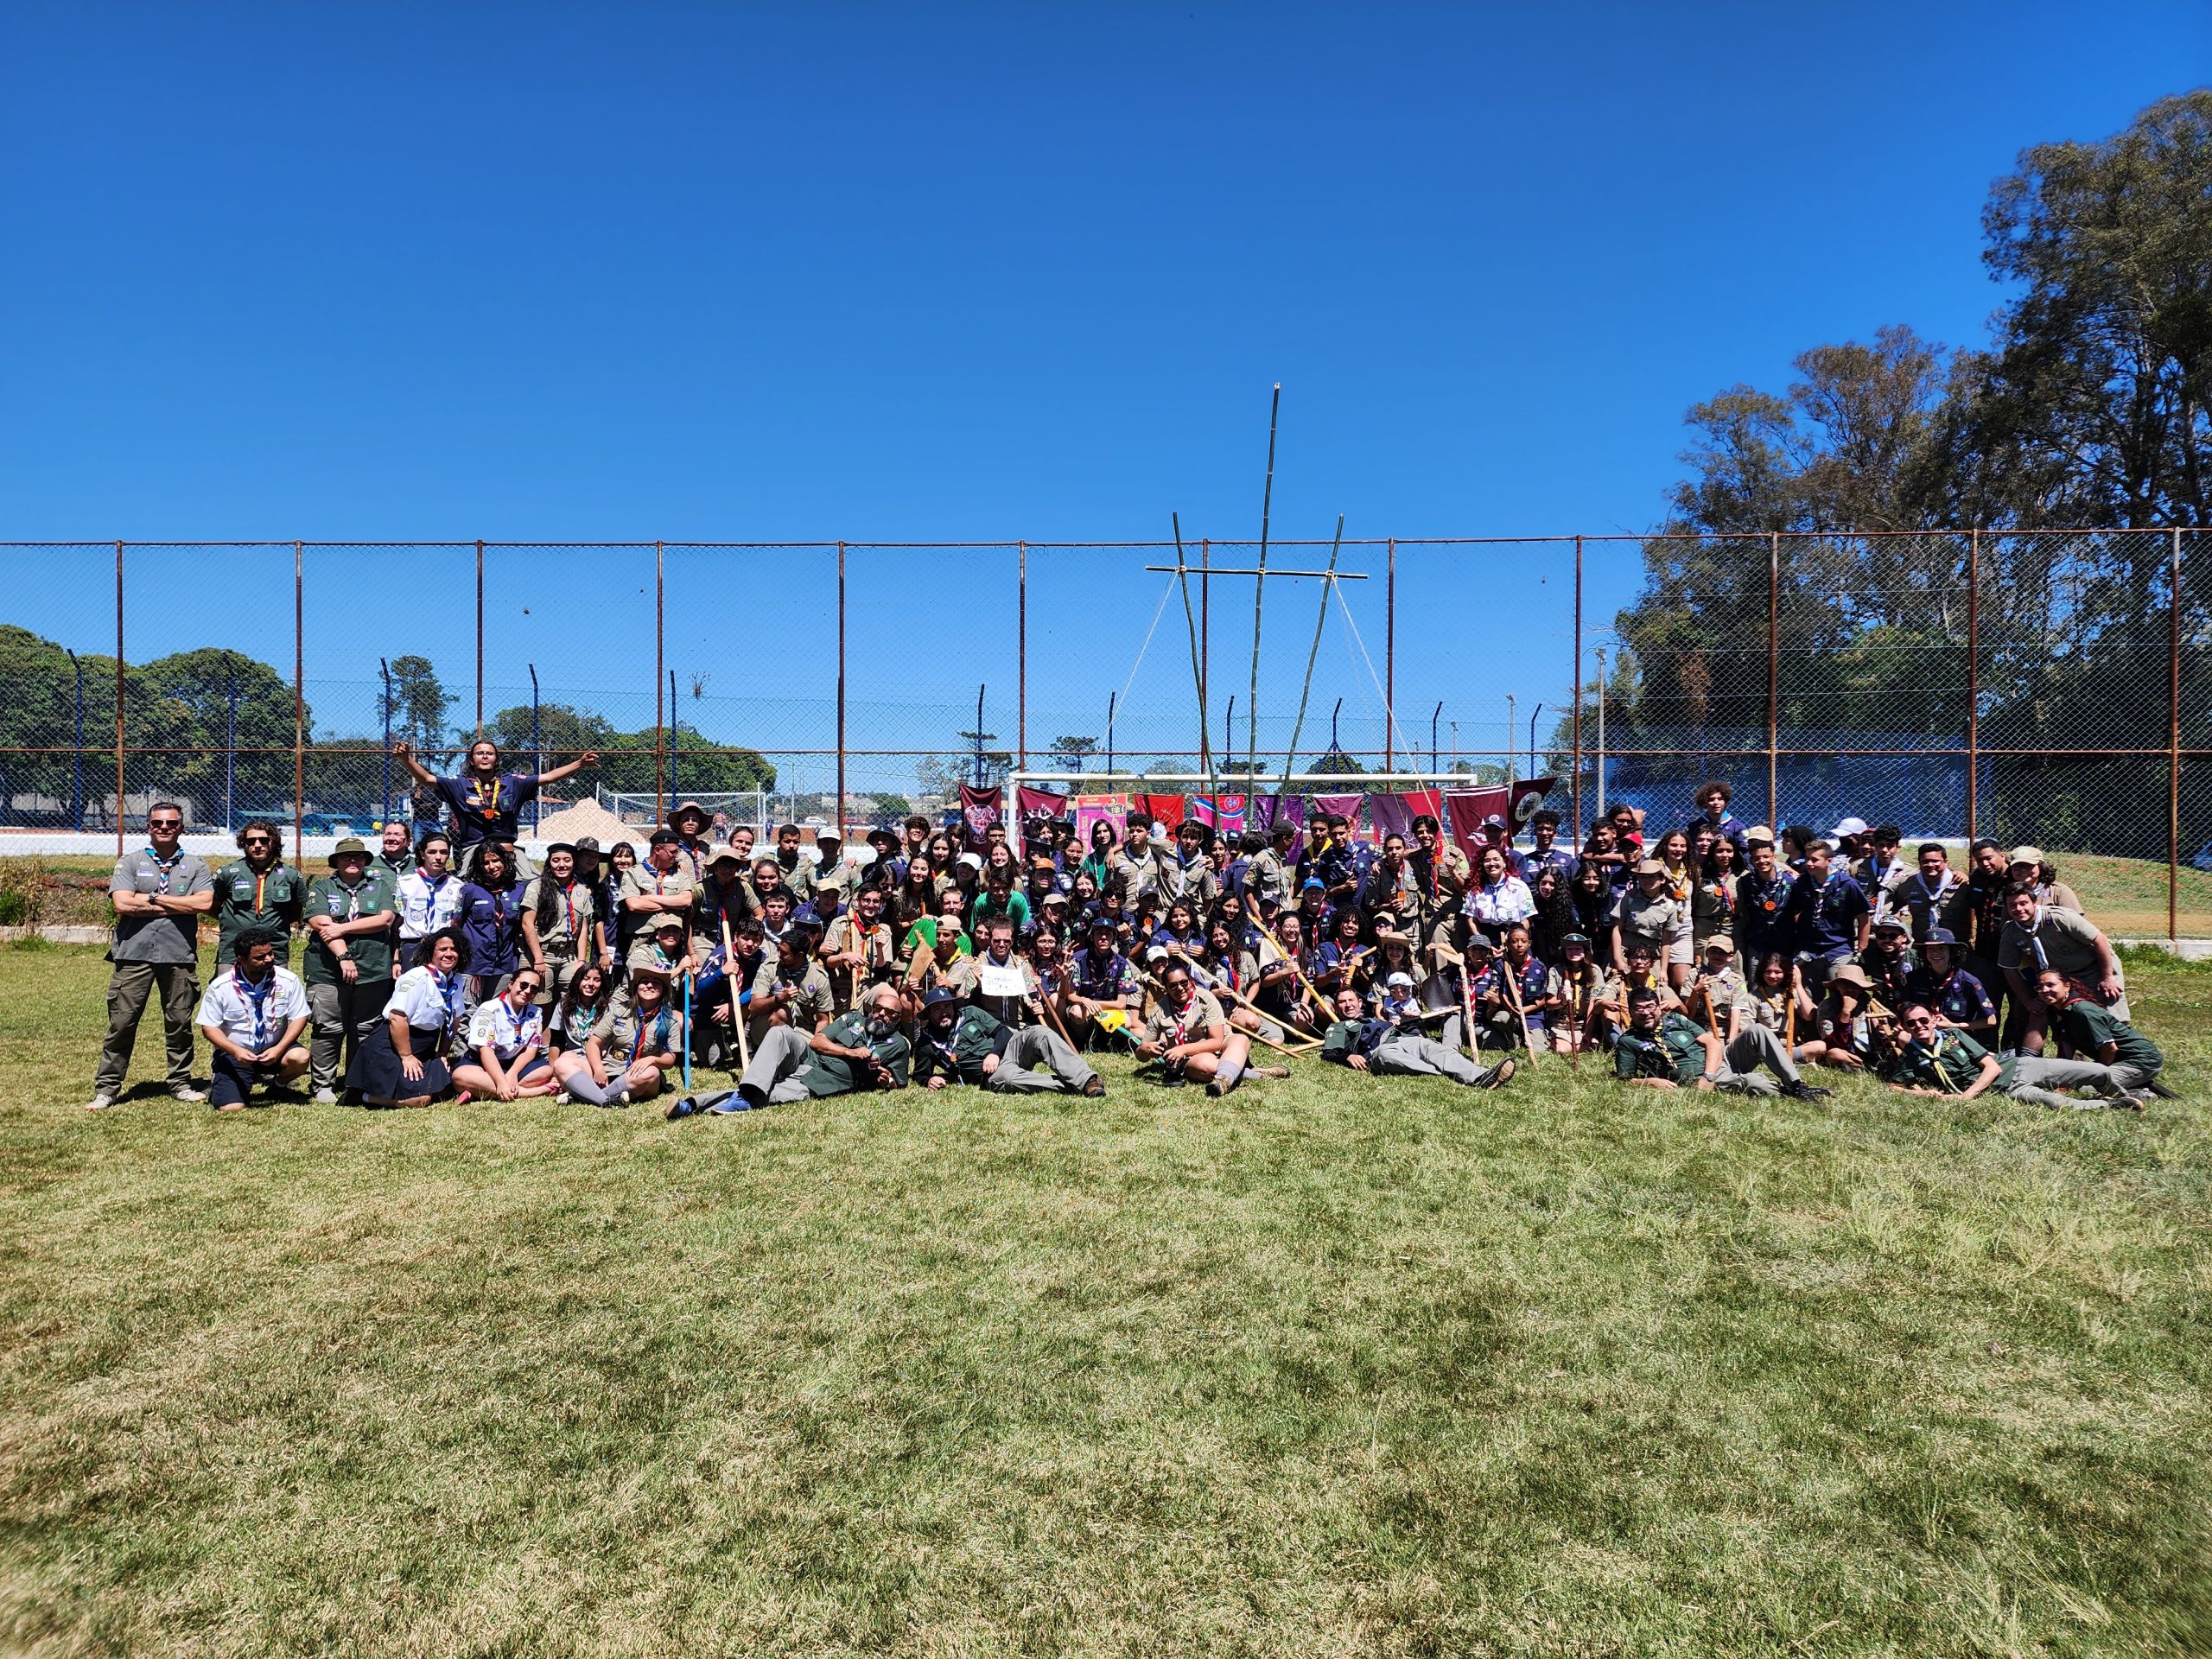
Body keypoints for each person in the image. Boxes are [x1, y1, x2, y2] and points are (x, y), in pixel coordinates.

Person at [89, 802, 213, 1109]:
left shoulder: (196, 866)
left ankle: (181, 1083)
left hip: (178, 955)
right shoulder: (130, 862)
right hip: (134, 955)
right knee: (122, 1023)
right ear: (149, 826)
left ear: (181, 828)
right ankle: (107, 1088)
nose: (164, 828)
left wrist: (150, 898)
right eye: (158, 823)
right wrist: (176, 903)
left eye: (171, 823)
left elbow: (203, 904)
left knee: (180, 1023)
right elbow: (122, 904)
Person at [1879, 1001, 2141, 1111]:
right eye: (1911, 1024)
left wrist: (1966, 1096)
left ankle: (2118, 1092)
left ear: (1934, 1021)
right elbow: (1893, 1087)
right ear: (1904, 1027)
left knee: (2098, 1071)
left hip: (2018, 1067)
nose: (1919, 1026)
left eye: (1923, 1020)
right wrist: (1923, 1093)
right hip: (2006, 1090)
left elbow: (1991, 1068)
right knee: (2058, 1104)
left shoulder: (1954, 1037)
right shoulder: (1912, 1055)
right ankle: (2112, 1105)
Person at [700, 982, 912, 1113]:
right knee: (780, 1031)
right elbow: (816, 1041)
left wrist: (888, 1082)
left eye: (889, 1012)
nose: (881, 1014)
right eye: (878, 1009)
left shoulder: (899, 1046)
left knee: (767, 1094)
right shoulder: (854, 1018)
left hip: (824, 1080)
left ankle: (692, 1105)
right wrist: (849, 1052)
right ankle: (750, 1087)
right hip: (807, 1057)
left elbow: (898, 1083)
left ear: (898, 1017)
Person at [392, 737, 598, 868]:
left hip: (507, 848)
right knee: (467, 889)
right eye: (479, 753)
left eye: (489, 753)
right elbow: (427, 780)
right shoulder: (459, 784)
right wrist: (406, 759)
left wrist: (579, 763)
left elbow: (548, 778)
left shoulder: (513, 782)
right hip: (473, 849)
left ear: (496, 759)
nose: (484, 756)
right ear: (472, 760)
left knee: (533, 882)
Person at [299, 836, 399, 1103]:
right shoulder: (321, 887)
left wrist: (342, 927)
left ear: (366, 861)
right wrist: (344, 956)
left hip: (373, 968)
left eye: (358, 856)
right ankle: (322, 1084)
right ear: (337, 861)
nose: (352, 860)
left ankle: (356, 1081)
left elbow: (385, 919)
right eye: (346, 857)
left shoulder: (379, 887)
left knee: (364, 1028)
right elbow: (320, 923)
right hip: (327, 970)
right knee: (328, 1028)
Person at [1613, 985, 1830, 1098]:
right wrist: (1651, 1082)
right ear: (1630, 1011)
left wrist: (1708, 1076)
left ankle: (1797, 1085)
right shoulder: (1629, 1041)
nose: (1646, 1013)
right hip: (1700, 1077)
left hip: (1720, 1060)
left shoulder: (1676, 1019)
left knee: (1757, 1030)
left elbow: (1713, 1043)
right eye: (1639, 1009)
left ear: (1659, 1007)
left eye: (1651, 1007)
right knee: (1756, 1083)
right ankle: (1787, 1093)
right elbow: (1623, 1079)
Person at [1995, 880, 2128, 1051]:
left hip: (2094, 968)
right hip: (2061, 978)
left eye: (2023, 903)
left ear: (2034, 902)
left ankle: (2130, 1061)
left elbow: (2099, 940)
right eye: (2012, 905)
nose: (2019, 909)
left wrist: (2107, 977)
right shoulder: (2011, 932)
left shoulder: (2059, 917)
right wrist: (2029, 1002)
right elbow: (2009, 969)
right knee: (2059, 1021)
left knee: (2111, 1020)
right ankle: (2042, 1065)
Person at [347, 927, 471, 1108]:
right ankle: (361, 1097)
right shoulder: (415, 977)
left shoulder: (456, 980)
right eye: (443, 949)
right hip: (394, 1045)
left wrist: (443, 1052)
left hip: (425, 1046)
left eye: (454, 949)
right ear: (431, 953)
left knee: (445, 1090)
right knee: (421, 1100)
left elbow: (454, 1020)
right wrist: (406, 1057)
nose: (449, 954)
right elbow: (397, 1018)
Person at [194, 926, 311, 1111]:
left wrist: (278, 1049)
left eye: (270, 953)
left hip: (275, 1051)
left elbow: (300, 1017)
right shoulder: (221, 987)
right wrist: (235, 1051)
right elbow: (209, 1027)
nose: (269, 959)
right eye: (260, 957)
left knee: (301, 1057)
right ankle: (225, 1083)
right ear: (241, 960)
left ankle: (277, 1087)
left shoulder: (287, 980)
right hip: (237, 1055)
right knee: (232, 1108)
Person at [909, 985, 1105, 1096]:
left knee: (1040, 1033)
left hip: (1009, 1049)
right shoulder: (927, 1042)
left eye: (947, 1006)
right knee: (1009, 1079)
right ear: (928, 1013)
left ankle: (1088, 1079)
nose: (944, 1012)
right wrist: (929, 1079)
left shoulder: (969, 1013)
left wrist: (995, 1053)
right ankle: (1075, 1087)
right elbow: (920, 1074)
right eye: (937, 1008)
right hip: (992, 1074)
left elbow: (1002, 1031)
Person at [1319, 985, 1516, 1089]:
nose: (1348, 1005)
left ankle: (1482, 1076)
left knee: (1434, 1048)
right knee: (1388, 1055)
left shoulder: (1373, 1018)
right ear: (1337, 1007)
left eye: (1351, 1000)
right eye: (1342, 1002)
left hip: (1403, 1039)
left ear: (1360, 1003)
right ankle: (1442, 1073)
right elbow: (1328, 1054)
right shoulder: (1338, 1026)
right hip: (1378, 1051)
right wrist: (1347, 1057)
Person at [1135, 957, 1279, 1096]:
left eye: (1184, 983)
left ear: (1190, 981)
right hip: (1192, 1057)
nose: (1180, 988)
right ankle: (1254, 1074)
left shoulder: (1206, 998)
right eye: (1173, 985)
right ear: (1166, 988)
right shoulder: (1160, 1010)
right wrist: (1145, 1049)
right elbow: (1142, 1056)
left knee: (1241, 1039)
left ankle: (1223, 1080)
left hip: (1219, 1046)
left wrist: (1182, 1048)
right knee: (1206, 1066)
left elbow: (1216, 1041)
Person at [2037, 967, 2171, 1098]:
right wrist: (2064, 1075)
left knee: (2082, 1088)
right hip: (2116, 1060)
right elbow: (2066, 1045)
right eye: (2040, 987)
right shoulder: (2055, 1011)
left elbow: (2109, 1047)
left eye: (2050, 985)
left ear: (2067, 986)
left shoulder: (2083, 1010)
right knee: (2064, 1083)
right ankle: (2130, 1082)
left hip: (2140, 1060)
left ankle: (2137, 1093)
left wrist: (2096, 1073)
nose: (2044, 990)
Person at [453, 966, 560, 1103]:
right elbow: (485, 1051)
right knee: (460, 1076)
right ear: (510, 985)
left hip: (515, 1061)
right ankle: (529, 1092)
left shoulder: (536, 1013)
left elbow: (530, 1052)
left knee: (545, 1072)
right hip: (484, 1061)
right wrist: (501, 1081)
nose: (527, 991)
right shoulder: (489, 1009)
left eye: (533, 989)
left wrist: (513, 1073)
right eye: (524, 985)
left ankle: (478, 1091)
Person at [209, 819, 307, 967]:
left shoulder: (290, 875)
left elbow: (296, 911)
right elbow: (213, 906)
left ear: (273, 842)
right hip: (233, 950)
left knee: (275, 990)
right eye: (251, 841)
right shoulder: (228, 873)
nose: (257, 845)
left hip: (275, 951)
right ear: (244, 844)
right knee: (229, 989)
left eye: (263, 840)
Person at [1781, 838, 1870, 995]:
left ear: (1829, 861)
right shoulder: (1802, 883)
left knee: (1843, 993)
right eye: (1807, 859)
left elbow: (1863, 918)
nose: (1809, 863)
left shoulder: (1847, 884)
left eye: (1815, 860)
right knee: (1807, 996)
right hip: (1808, 949)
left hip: (1838, 948)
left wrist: (1861, 950)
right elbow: (1795, 911)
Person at [455, 841, 528, 1016]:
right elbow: (456, 924)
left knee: (497, 1011)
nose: (491, 867)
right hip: (475, 964)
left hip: (504, 964)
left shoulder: (518, 891)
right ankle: (465, 1045)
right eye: (485, 863)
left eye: (495, 861)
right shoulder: (470, 890)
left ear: (504, 861)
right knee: (469, 1013)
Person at [519, 842, 600, 998]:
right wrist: (538, 959)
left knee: (572, 999)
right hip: (541, 953)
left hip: (568, 955)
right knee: (539, 1002)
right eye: (556, 860)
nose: (561, 865)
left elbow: (583, 927)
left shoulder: (580, 890)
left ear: (573, 863)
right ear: (549, 862)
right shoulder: (536, 887)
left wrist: (581, 961)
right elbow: (527, 924)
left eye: (567, 860)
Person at [1902, 926, 1997, 1043]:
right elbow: (1904, 1011)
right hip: (1921, 1038)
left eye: (1941, 948)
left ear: (1952, 952)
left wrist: (1954, 1026)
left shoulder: (1969, 982)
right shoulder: (1914, 979)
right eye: (1930, 948)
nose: (1935, 953)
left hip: (1957, 1040)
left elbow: (1991, 1020)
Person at [622, 829, 701, 958]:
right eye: (673, 852)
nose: (677, 856)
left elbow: (686, 900)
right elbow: (634, 904)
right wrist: (672, 903)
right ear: (658, 850)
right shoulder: (634, 873)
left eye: (678, 851)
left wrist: (649, 898)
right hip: (643, 940)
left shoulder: (680, 874)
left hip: (672, 940)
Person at [1885, 841, 1969, 941]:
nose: (1930, 865)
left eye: (1935, 861)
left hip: (1955, 944)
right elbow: (1892, 908)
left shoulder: (1961, 884)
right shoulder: (1908, 885)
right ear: (1919, 862)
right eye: (1925, 861)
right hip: (1922, 944)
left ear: (1946, 863)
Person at [395, 831, 463, 954]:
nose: (438, 857)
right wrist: (396, 958)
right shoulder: (405, 883)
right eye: (432, 852)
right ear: (422, 855)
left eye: (443, 852)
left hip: (444, 947)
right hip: (413, 945)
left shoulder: (457, 886)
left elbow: (457, 922)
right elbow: (397, 922)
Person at [1688, 781, 1749, 856]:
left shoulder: (1738, 827)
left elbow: (1746, 852)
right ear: (1705, 802)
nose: (1716, 802)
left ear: (1725, 802)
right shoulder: (1694, 826)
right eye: (1711, 799)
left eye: (1720, 799)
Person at [372, 818, 416, 889]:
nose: (391, 838)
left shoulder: (419, 865)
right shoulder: (369, 864)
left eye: (397, 834)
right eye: (387, 834)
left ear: (409, 841)